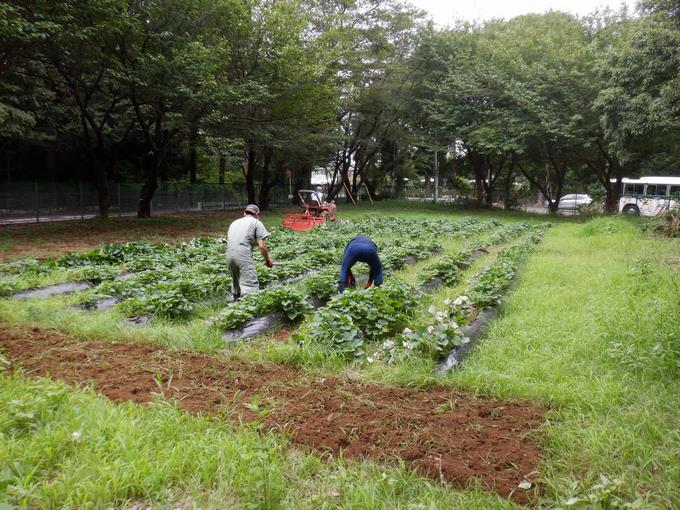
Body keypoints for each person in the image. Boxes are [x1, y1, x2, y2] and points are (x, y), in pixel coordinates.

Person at [226, 204, 273, 300]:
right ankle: (250, 311)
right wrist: (267, 260)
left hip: (229, 254)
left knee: (236, 286)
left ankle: (234, 307)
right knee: (250, 285)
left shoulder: (234, 223)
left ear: (244, 213)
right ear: (257, 214)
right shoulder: (256, 222)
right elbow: (262, 246)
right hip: (242, 254)